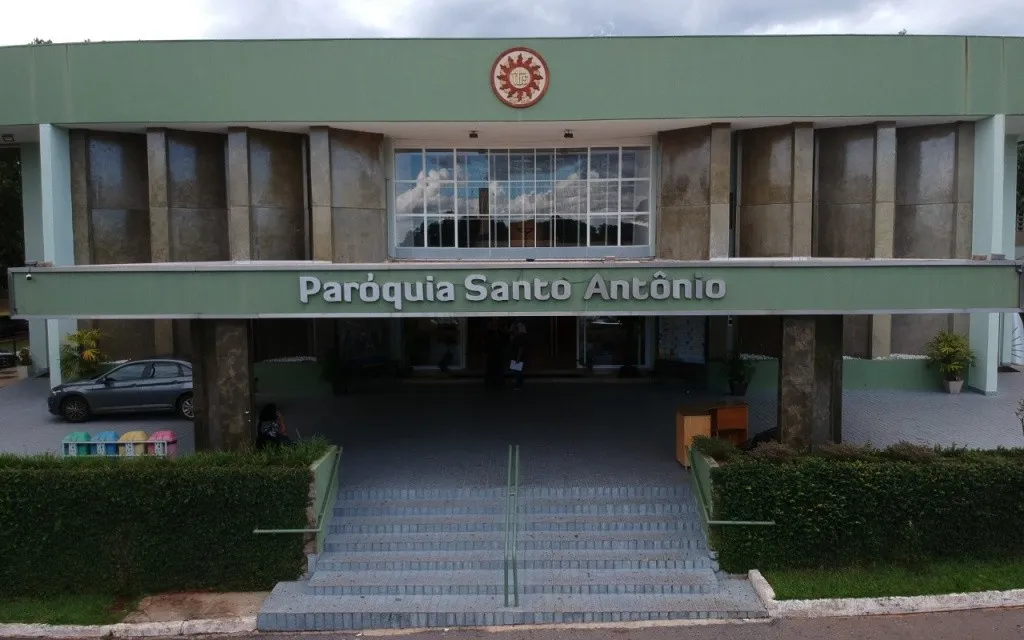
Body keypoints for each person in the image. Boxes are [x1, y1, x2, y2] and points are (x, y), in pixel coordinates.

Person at [508, 319, 527, 390]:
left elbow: (520, 348)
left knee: (518, 371)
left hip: (517, 357)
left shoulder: (518, 338)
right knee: (516, 370)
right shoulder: (515, 338)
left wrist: (518, 357)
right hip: (515, 356)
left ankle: (519, 384)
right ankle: (519, 382)